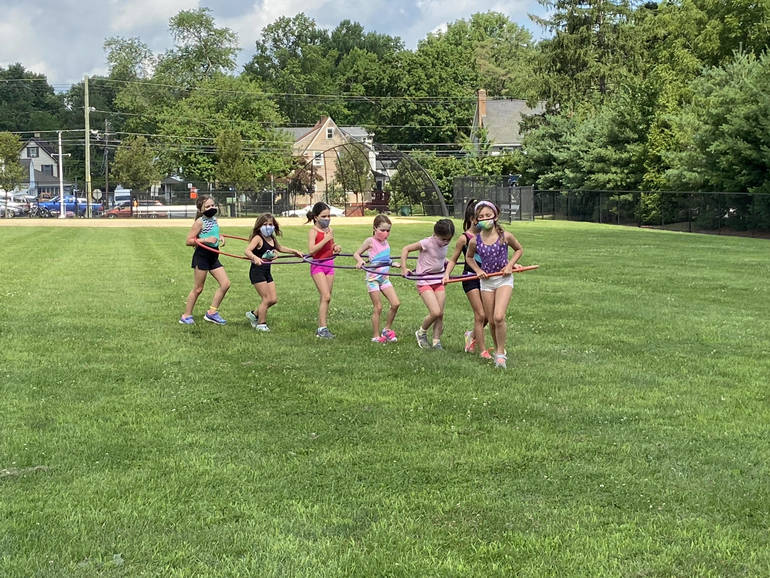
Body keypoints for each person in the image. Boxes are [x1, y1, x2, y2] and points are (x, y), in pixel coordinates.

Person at [465, 200, 524, 369]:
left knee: (499, 316)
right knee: (491, 320)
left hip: (504, 279)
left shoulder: (505, 236)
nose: (485, 219)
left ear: (495, 216)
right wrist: (477, 270)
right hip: (486, 282)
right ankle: (498, 351)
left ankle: (500, 352)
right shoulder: (475, 241)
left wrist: (509, 265)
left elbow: (519, 249)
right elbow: (469, 257)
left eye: (488, 215)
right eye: (481, 216)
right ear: (476, 220)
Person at [442, 198, 491, 360]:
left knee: (489, 317)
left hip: (486, 278)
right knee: (480, 315)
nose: (484, 221)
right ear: (472, 219)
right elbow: (454, 259)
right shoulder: (465, 238)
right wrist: (447, 274)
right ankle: (483, 350)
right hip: (470, 278)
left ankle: (471, 335)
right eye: (480, 219)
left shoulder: (488, 236)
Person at [400, 219, 455, 350]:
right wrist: (404, 268)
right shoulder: (426, 243)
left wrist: (445, 262)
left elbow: (438, 257)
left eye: (449, 240)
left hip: (438, 279)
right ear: (435, 234)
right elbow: (405, 249)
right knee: (435, 312)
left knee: (440, 314)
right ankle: (421, 333)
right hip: (424, 280)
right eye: (443, 239)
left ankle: (436, 342)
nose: (446, 242)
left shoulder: (443, 244)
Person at [244, 213, 304, 332]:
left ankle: (254, 314)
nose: (268, 227)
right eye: (265, 224)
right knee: (266, 299)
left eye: (270, 224)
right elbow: (247, 251)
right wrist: (255, 258)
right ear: (259, 226)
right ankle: (261, 324)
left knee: (273, 299)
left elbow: (280, 248)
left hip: (267, 272)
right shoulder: (258, 238)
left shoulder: (271, 238)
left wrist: (294, 251)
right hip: (257, 272)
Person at [179, 196, 230, 325]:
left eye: (213, 205)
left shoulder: (214, 219)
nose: (211, 208)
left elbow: (212, 232)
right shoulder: (199, 222)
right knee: (198, 288)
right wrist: (206, 240)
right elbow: (189, 241)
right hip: (202, 256)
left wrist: (220, 236)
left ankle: (212, 313)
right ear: (201, 209)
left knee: (225, 284)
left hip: (213, 256)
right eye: (207, 206)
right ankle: (186, 316)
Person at [353, 215, 400, 343]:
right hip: (373, 279)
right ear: (374, 228)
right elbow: (356, 254)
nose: (386, 233)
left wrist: (392, 263)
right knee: (378, 307)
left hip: (384, 278)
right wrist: (360, 261)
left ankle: (387, 330)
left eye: (388, 231)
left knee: (396, 303)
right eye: (382, 230)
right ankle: (375, 335)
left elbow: (384, 258)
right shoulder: (370, 241)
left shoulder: (386, 243)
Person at [307, 202, 341, 339]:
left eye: (329, 216)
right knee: (326, 295)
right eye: (324, 216)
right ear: (316, 217)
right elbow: (311, 251)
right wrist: (326, 238)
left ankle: (323, 326)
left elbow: (330, 246)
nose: (327, 219)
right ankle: (322, 329)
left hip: (329, 264)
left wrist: (336, 247)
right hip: (318, 265)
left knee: (326, 298)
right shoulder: (313, 231)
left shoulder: (329, 230)